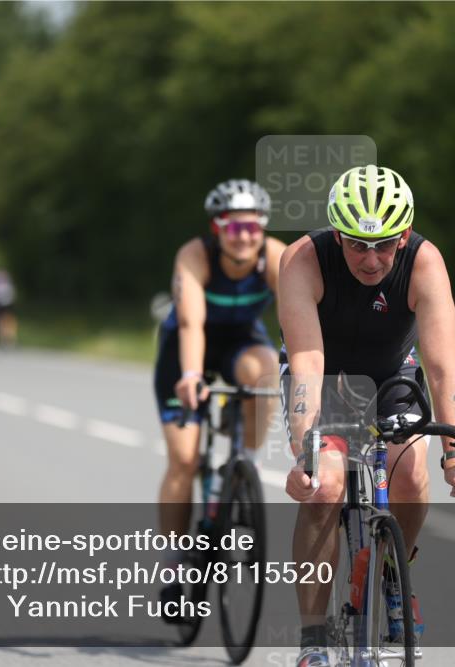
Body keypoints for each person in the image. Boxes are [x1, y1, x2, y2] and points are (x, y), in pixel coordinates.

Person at [277, 165, 455, 666]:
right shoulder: (302, 259)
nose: (371, 259)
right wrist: (306, 449)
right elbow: (306, 361)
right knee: (325, 486)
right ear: (337, 235)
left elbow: (441, 364)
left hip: (395, 374)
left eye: (385, 245)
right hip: (325, 378)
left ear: (405, 236)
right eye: (356, 245)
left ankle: (393, 575)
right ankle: (313, 642)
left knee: (411, 469)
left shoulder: (424, 263)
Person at [154, 179, 285, 610]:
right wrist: (191, 374)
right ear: (218, 229)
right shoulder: (195, 256)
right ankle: (174, 561)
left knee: (262, 370)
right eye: (234, 228)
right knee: (185, 459)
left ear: (263, 228)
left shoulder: (275, 258)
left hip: (241, 342)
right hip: (186, 349)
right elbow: (191, 322)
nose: (245, 236)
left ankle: (242, 460)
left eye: (253, 227)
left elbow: (298, 316)